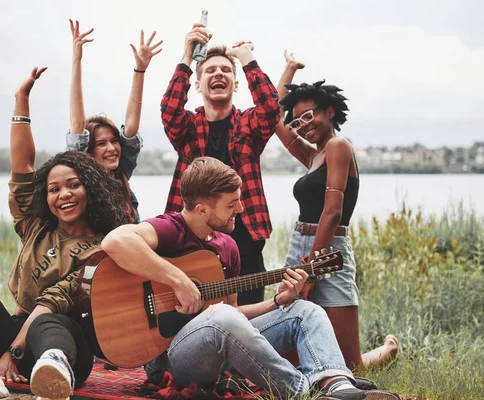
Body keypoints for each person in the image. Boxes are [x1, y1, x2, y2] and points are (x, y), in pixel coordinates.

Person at [101, 157, 400, 400]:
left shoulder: (226, 246)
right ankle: (304, 392)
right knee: (221, 318)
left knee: (303, 311)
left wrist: (276, 302)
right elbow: (115, 242)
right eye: (231, 204)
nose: (240, 209)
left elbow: (234, 314)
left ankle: (338, 385)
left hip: (221, 347)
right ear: (202, 208)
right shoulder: (170, 229)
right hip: (170, 358)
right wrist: (179, 280)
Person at [0, 67, 130, 400]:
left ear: (92, 191)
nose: (64, 195)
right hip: (18, 330)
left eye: (74, 185)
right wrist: (21, 100)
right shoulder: (36, 226)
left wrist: (11, 354)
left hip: (67, 344)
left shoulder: (105, 246)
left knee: (49, 321)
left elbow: (53, 302)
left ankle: (51, 375)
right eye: (54, 189)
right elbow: (23, 165)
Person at [275, 51, 399, 370]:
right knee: (288, 352)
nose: (303, 125)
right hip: (298, 247)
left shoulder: (338, 146)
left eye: (309, 116)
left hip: (328, 250)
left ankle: (385, 352)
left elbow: (332, 212)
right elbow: (273, 119)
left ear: (329, 112)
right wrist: (287, 71)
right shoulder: (312, 156)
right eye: (298, 120)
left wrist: (311, 271)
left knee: (351, 366)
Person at [160, 23, 280, 306]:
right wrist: (187, 58)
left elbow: (271, 110)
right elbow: (169, 110)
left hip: (245, 241)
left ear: (236, 84)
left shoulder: (249, 125)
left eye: (226, 70)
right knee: (192, 318)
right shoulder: (188, 128)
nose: (218, 73)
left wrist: (246, 59)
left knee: (248, 323)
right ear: (198, 85)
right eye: (210, 70)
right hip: (193, 241)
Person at [65, 19, 163, 222]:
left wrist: (140, 70)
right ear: (88, 151)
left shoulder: (121, 174)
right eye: (101, 143)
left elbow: (131, 126)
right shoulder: (83, 176)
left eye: (113, 140)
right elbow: (76, 126)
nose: (111, 148)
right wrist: (76, 59)